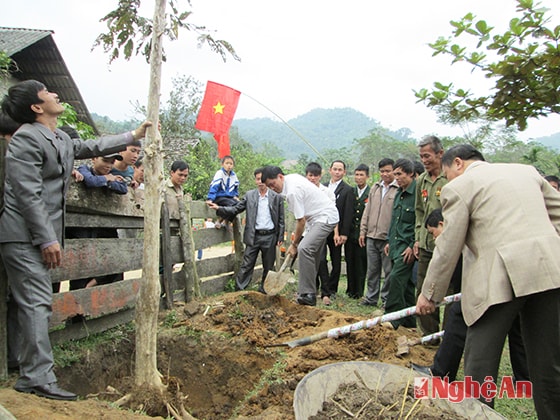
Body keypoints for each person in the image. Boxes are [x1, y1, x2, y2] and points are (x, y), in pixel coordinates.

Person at [0, 79, 151, 401]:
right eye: (46, 92)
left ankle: (20, 361)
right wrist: (46, 239)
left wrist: (132, 136)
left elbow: (92, 147)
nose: (54, 93)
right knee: (38, 301)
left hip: (35, 235)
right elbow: (27, 195)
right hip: (22, 235)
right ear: (37, 107)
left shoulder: (58, 138)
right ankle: (36, 377)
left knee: (26, 301)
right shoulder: (25, 140)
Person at [416, 144, 560, 417]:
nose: (447, 182)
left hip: (500, 278)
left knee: (479, 365)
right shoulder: (526, 172)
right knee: (549, 366)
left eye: (447, 175)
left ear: (457, 163)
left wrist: (430, 294)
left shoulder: (460, 186)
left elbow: (448, 246)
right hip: (550, 271)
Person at [411, 209, 529, 384]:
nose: (435, 239)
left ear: (442, 225)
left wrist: (429, 295)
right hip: (520, 270)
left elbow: (445, 263)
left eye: (433, 233)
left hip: (497, 272)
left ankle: (441, 373)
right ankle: (525, 377)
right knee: (517, 325)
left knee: (458, 316)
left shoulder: (459, 233)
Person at [261, 166, 339, 306]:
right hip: (315, 218)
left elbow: (300, 221)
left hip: (325, 217)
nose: (272, 188)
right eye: (269, 186)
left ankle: (307, 294)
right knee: (312, 253)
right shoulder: (291, 178)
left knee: (304, 248)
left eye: (273, 184)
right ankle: (309, 292)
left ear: (280, 176)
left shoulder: (292, 191)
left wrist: (294, 244)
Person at [210, 168, 285, 292]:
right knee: (247, 264)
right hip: (253, 235)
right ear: (255, 181)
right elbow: (236, 209)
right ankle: (240, 290)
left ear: (266, 180)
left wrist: (280, 236)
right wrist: (219, 208)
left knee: (268, 265)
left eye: (262, 179)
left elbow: (281, 218)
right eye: (257, 179)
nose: (260, 182)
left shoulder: (276, 197)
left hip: (270, 236)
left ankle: (265, 290)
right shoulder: (250, 195)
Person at [65, 154, 129, 290]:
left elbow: (123, 188)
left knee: (110, 266)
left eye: (112, 162)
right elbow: (89, 181)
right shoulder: (84, 169)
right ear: (94, 159)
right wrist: (106, 179)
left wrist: (107, 181)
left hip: (102, 229)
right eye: (105, 161)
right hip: (81, 229)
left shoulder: (114, 176)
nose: (109, 165)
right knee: (80, 270)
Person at [413, 135, 447, 336]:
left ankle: (448, 335)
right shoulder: (421, 181)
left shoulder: (451, 178)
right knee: (424, 289)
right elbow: (419, 211)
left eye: (428, 156)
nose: (424, 160)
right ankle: (429, 335)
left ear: (440, 154)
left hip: (447, 246)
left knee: (450, 293)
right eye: (421, 157)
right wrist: (418, 237)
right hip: (426, 245)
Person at [359, 158, 398, 308]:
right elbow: (367, 211)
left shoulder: (398, 189)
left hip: (387, 237)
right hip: (371, 236)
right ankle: (371, 297)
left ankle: (386, 299)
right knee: (372, 269)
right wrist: (363, 231)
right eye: (382, 171)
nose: (385, 174)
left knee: (388, 271)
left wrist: (391, 238)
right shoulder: (375, 188)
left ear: (394, 171)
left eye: (388, 171)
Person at [383, 159, 417, 329]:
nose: (396, 178)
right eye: (395, 174)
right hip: (396, 244)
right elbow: (394, 221)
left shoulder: (417, 194)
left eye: (399, 174)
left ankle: (392, 317)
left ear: (410, 173)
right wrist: (389, 240)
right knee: (407, 285)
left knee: (396, 278)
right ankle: (410, 320)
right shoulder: (398, 193)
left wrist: (413, 244)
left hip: (408, 246)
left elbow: (420, 222)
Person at [323, 160, 354, 304]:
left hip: (338, 231)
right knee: (321, 260)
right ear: (330, 170)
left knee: (336, 261)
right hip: (322, 229)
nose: (337, 172)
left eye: (340, 170)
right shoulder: (322, 187)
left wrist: (344, 233)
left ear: (344, 172)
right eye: (334, 169)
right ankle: (323, 287)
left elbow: (348, 213)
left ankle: (333, 289)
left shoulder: (347, 190)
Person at [305, 162, 335, 303]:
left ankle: (325, 293)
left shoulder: (327, 192)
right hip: (307, 231)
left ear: (320, 176)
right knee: (308, 262)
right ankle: (310, 290)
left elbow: (331, 211)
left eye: (315, 176)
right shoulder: (303, 191)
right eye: (310, 175)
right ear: (306, 175)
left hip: (321, 230)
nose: (312, 178)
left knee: (321, 260)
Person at [345, 164, 370, 299]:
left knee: (361, 264)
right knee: (350, 261)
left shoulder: (371, 193)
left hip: (363, 235)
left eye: (361, 175)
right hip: (350, 234)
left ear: (367, 177)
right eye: (357, 174)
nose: (358, 177)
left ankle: (359, 291)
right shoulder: (351, 192)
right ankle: (350, 289)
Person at [206, 155, 239, 229]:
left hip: (229, 198)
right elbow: (214, 186)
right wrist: (210, 198)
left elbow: (235, 188)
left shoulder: (234, 176)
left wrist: (236, 196)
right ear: (222, 164)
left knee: (238, 206)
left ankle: (226, 220)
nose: (229, 166)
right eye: (227, 163)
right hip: (219, 197)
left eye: (231, 164)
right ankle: (220, 220)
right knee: (231, 205)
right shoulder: (220, 173)